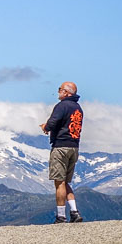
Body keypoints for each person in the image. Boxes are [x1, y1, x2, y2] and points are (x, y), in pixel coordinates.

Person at [40, 82, 84, 224]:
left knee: (59, 182)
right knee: (65, 182)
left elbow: (53, 122)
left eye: (60, 89)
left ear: (67, 93)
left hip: (61, 147)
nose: (58, 92)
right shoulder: (78, 108)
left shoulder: (62, 106)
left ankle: (61, 216)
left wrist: (45, 127)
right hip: (74, 147)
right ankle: (74, 212)